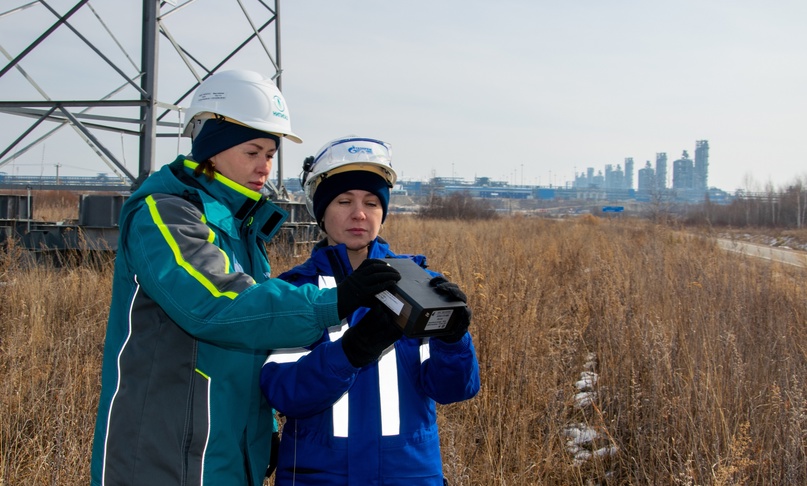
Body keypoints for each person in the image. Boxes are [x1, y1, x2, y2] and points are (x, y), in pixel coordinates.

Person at [90, 72, 401, 486]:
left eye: (271, 154)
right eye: (253, 151)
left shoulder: (241, 229)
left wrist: (264, 429)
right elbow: (219, 307)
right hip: (164, 453)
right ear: (212, 150)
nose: (264, 166)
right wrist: (334, 302)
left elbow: (255, 345)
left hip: (223, 451)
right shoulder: (165, 215)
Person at [260, 136, 481, 485]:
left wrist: (453, 341)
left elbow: (454, 390)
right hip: (319, 477)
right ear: (320, 211)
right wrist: (351, 351)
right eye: (344, 200)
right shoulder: (292, 291)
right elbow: (285, 393)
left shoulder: (421, 285)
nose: (359, 214)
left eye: (372, 202)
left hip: (408, 475)